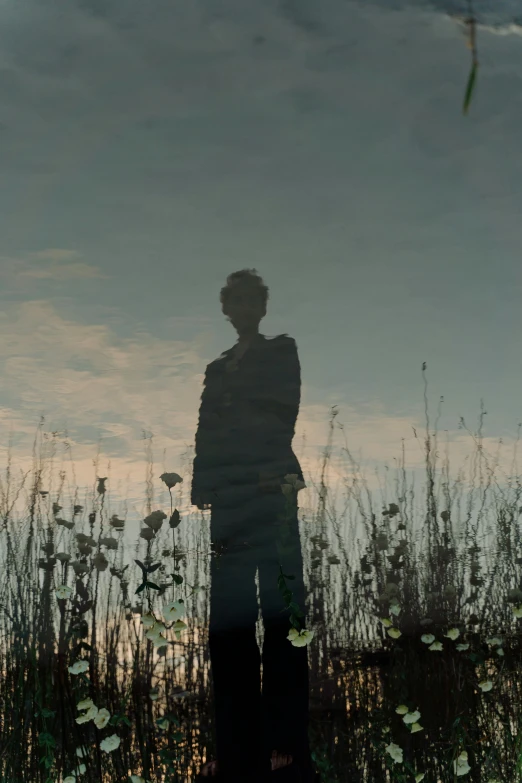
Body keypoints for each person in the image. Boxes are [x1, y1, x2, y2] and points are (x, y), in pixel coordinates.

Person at [192, 270, 317, 782]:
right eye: (235, 301)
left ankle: (285, 741)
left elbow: (281, 411)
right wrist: (204, 480)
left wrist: (254, 469)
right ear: (227, 308)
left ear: (261, 307)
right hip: (229, 498)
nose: (243, 308)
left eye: (251, 300)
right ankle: (235, 741)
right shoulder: (216, 368)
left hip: (270, 489)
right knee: (229, 620)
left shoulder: (281, 351)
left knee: (283, 612)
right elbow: (205, 426)